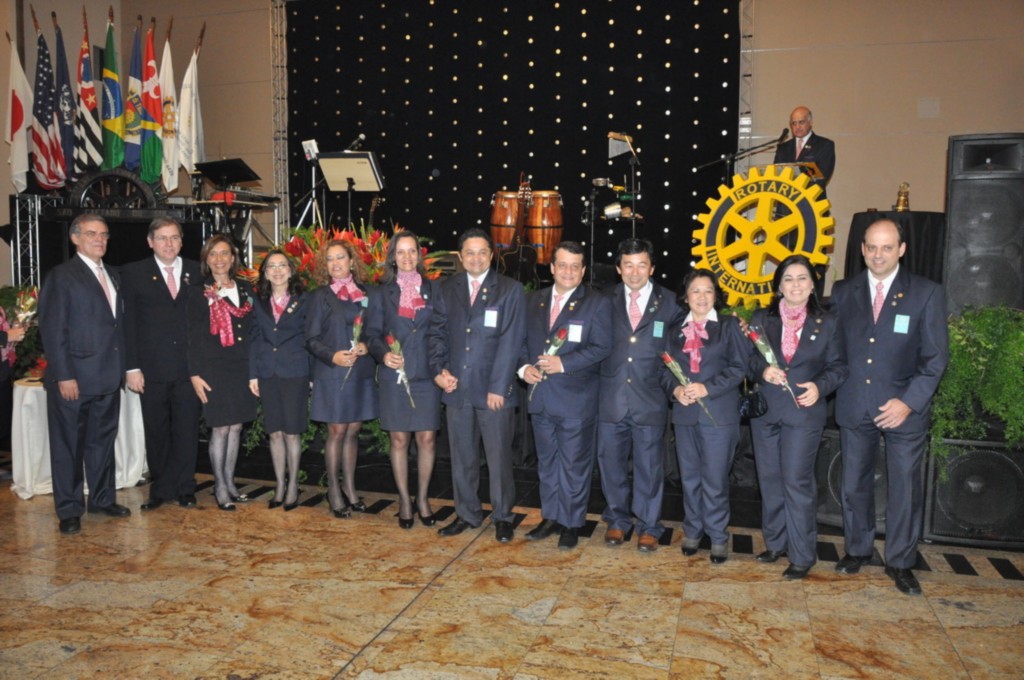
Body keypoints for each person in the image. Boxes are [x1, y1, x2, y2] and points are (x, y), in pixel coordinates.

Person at [831, 218, 948, 595]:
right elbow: (835, 351)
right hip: (855, 404)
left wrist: (909, 402)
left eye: (886, 247)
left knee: (905, 489)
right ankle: (857, 550)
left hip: (903, 409)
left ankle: (900, 561)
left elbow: (935, 359)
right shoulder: (843, 291)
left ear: (901, 249)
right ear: (862, 249)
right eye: (871, 247)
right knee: (854, 484)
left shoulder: (926, 293)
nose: (878, 254)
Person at [748, 255, 847, 579]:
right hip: (766, 413)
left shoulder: (827, 322)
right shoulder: (762, 318)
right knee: (769, 480)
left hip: (804, 413)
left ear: (812, 285)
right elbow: (747, 359)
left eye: (802, 278)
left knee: (796, 481)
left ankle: (802, 554)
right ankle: (776, 544)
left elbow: (839, 367)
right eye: (788, 279)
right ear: (779, 285)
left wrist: (820, 387)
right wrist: (762, 370)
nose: (795, 285)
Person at [428, 227, 526, 543]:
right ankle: (467, 514)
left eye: (482, 252)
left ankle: (503, 517)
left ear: (491, 254)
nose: (476, 258)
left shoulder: (509, 290)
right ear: (460, 256)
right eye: (469, 253)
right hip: (457, 389)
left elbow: (512, 342)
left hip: (493, 391)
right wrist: (438, 371)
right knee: (462, 458)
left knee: (499, 460)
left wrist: (499, 386)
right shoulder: (446, 288)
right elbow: (437, 334)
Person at [38, 213, 128, 535]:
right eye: (92, 234)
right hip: (74, 379)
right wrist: (64, 375)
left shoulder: (113, 274)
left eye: (104, 234)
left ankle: (102, 499)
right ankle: (69, 509)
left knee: (102, 443)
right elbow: (53, 330)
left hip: (108, 376)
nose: (99, 240)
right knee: (69, 448)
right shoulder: (62, 276)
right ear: (75, 238)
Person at [520, 241, 613, 550]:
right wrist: (523, 368)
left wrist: (564, 363)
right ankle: (551, 517)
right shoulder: (533, 301)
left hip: (576, 400)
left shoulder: (597, 303)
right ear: (552, 267)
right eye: (563, 265)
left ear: (583, 270)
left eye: (575, 266)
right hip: (540, 397)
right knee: (547, 463)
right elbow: (521, 343)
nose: (569, 271)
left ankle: (572, 522)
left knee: (574, 465)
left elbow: (602, 347)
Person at [597, 238, 683, 552]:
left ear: (652, 268)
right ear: (619, 269)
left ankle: (649, 526)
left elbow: (682, 348)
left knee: (650, 467)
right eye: (628, 265)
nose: (635, 272)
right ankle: (618, 520)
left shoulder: (672, 302)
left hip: (650, 399)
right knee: (611, 465)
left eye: (641, 265)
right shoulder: (603, 300)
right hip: (611, 398)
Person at [661, 269, 746, 563]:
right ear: (686, 296)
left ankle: (718, 536)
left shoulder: (728, 326)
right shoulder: (674, 329)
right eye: (695, 290)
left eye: (708, 290)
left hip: (719, 416)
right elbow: (663, 369)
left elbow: (739, 368)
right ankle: (693, 530)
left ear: (715, 295)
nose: (701, 296)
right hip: (685, 415)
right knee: (689, 478)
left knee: (715, 479)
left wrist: (706, 388)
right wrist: (675, 390)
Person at [122, 216, 203, 511]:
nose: (169, 243)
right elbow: (127, 323)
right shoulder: (133, 273)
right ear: (150, 242)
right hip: (151, 369)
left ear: (181, 242)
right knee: (156, 431)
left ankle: (185, 487)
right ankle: (161, 488)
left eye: (174, 238)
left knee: (187, 430)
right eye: (162, 238)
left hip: (189, 370)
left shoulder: (197, 271)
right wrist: (131, 367)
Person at [366, 231, 442, 529]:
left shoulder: (434, 289)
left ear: (419, 255)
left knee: (427, 439)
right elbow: (372, 334)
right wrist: (383, 355)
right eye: (401, 252)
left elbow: (441, 330)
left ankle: (422, 498)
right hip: (394, 375)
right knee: (399, 440)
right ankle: (404, 501)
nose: (407, 257)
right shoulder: (380, 293)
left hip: (427, 375)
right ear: (393, 257)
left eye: (412, 251)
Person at [305, 239, 376, 518]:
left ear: (351, 261)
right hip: (332, 371)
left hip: (360, 371)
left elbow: (375, 330)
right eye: (330, 259)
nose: (335, 263)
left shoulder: (366, 294)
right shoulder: (319, 296)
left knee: (353, 430)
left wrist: (367, 345)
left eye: (340, 258)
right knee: (336, 431)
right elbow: (310, 339)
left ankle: (350, 488)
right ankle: (333, 490)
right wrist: (332, 355)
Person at [187, 235, 258, 511]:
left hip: (241, 366)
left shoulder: (246, 288)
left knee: (236, 426)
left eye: (224, 253)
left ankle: (230, 481)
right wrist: (194, 373)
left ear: (233, 258)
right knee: (220, 427)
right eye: (213, 254)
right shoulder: (198, 292)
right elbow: (192, 337)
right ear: (206, 259)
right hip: (213, 368)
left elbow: (253, 330)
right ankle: (219, 486)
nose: (219, 259)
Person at [249, 250, 310, 511]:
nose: (277, 270)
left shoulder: (303, 299)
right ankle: (280, 485)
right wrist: (252, 373)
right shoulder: (259, 300)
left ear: (291, 269)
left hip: (295, 371)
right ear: (265, 273)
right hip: (267, 372)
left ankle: (293, 485)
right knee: (274, 432)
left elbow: (310, 337)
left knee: (292, 432)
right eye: (271, 266)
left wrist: (312, 376)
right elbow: (254, 337)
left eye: (282, 265)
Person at [774, 105, 836, 197]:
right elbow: (776, 175)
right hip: (786, 202)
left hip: (812, 200)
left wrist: (796, 190)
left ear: (810, 122)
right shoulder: (783, 148)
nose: (797, 126)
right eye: (794, 123)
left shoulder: (824, 145)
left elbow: (822, 177)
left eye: (801, 122)